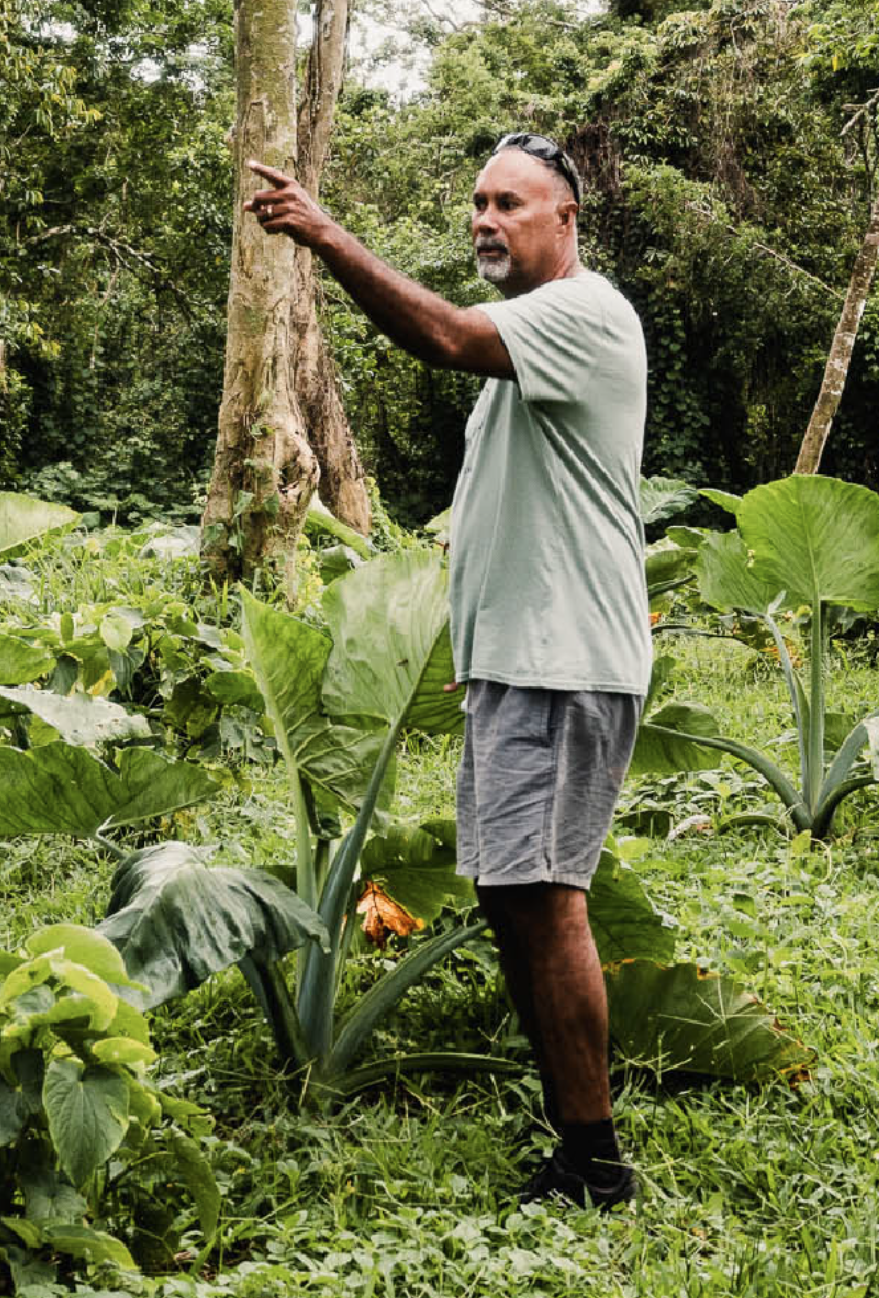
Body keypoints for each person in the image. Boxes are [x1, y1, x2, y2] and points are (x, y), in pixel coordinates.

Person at [248, 131, 652, 1208]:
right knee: (514, 890)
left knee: (547, 897)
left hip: (566, 661)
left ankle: (594, 1159)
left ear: (566, 220)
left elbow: (441, 333)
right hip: (519, 663)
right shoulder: (532, 343)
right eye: (477, 201)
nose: (485, 219)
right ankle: (573, 1130)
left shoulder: (584, 314)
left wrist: (326, 234)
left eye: (510, 203)